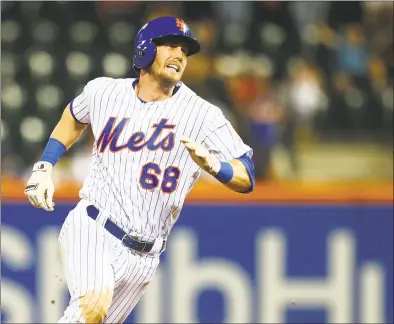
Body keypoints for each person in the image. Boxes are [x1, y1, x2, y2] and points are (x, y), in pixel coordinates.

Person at [24, 16, 255, 323]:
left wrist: (218, 167)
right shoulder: (104, 92)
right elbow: (74, 117)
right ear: (145, 49)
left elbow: (247, 174)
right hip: (95, 226)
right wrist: (44, 166)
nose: (179, 55)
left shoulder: (203, 115)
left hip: (145, 258)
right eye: (171, 45)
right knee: (92, 305)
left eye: (185, 50)